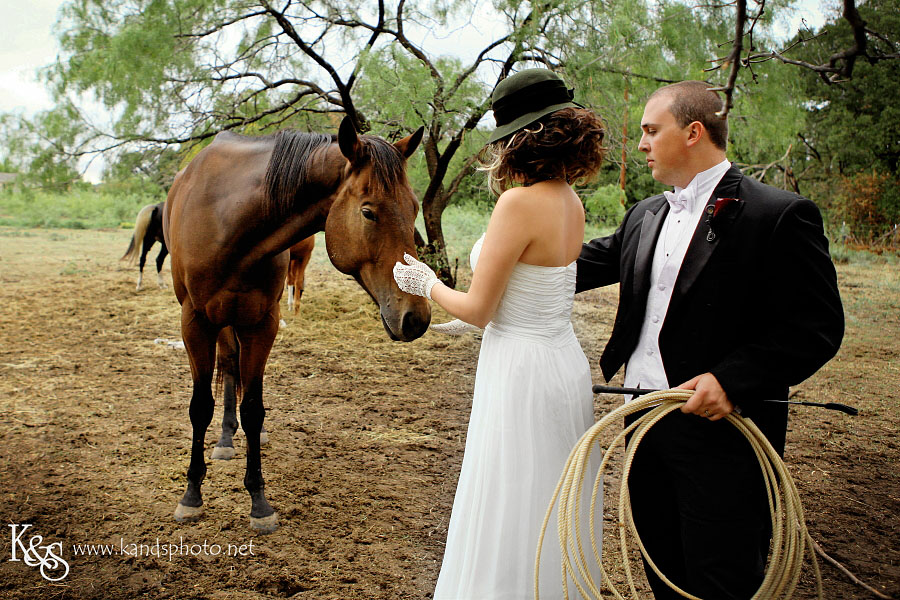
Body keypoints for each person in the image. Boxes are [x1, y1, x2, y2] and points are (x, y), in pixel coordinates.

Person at [575, 80, 844, 599]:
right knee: (663, 571)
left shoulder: (778, 214)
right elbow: (576, 266)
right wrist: (508, 246)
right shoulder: (645, 214)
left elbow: (817, 327)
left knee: (723, 579)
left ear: (693, 132)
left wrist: (731, 380)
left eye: (652, 130)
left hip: (724, 438)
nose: (642, 144)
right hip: (641, 426)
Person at [392, 68, 606, 599]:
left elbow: (479, 310)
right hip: (562, 359)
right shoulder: (571, 201)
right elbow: (534, 289)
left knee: (511, 490)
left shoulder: (517, 204)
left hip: (520, 367)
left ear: (520, 139)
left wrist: (426, 283)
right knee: (548, 490)